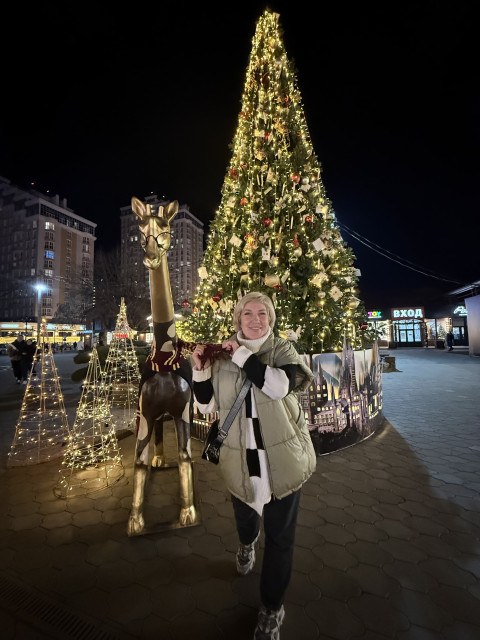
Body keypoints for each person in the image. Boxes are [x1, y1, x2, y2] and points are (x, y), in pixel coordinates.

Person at [192, 292, 316, 640]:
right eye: (248, 313)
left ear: (271, 318)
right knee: (245, 521)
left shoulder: (283, 351)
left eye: (263, 312)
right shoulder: (221, 355)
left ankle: (272, 608)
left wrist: (243, 354)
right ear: (238, 319)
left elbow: (277, 386)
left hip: (283, 462)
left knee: (280, 540)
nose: (256, 318)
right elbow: (205, 408)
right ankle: (246, 543)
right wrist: (200, 371)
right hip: (239, 460)